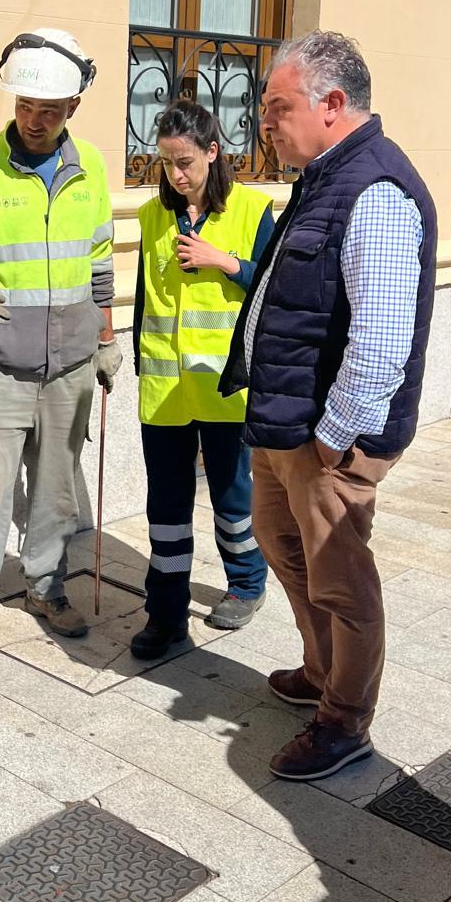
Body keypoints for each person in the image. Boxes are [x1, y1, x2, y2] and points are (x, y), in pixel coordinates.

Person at [220, 31, 437, 781]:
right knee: (286, 553)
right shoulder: (322, 178)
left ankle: (345, 721)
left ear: (332, 105)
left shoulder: (373, 188)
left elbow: (381, 340)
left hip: (325, 436)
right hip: (284, 420)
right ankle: (320, 672)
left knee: (341, 581)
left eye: (277, 108)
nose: (265, 124)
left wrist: (332, 439)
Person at [0, 30, 117, 669]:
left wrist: (107, 339)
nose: (35, 122)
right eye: (25, 108)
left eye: (49, 111)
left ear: (71, 110)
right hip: (1, 368)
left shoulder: (88, 169)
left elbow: (98, 264)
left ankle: (45, 587)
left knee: (56, 491)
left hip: (71, 365)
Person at [129, 103, 276, 661]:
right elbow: (147, 298)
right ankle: (165, 614)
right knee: (165, 506)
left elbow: (274, 290)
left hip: (226, 387)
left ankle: (246, 582)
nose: (176, 175)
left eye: (185, 161)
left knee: (233, 496)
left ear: (213, 152)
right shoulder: (151, 217)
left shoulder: (254, 210)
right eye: (166, 163)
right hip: (165, 389)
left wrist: (226, 261)